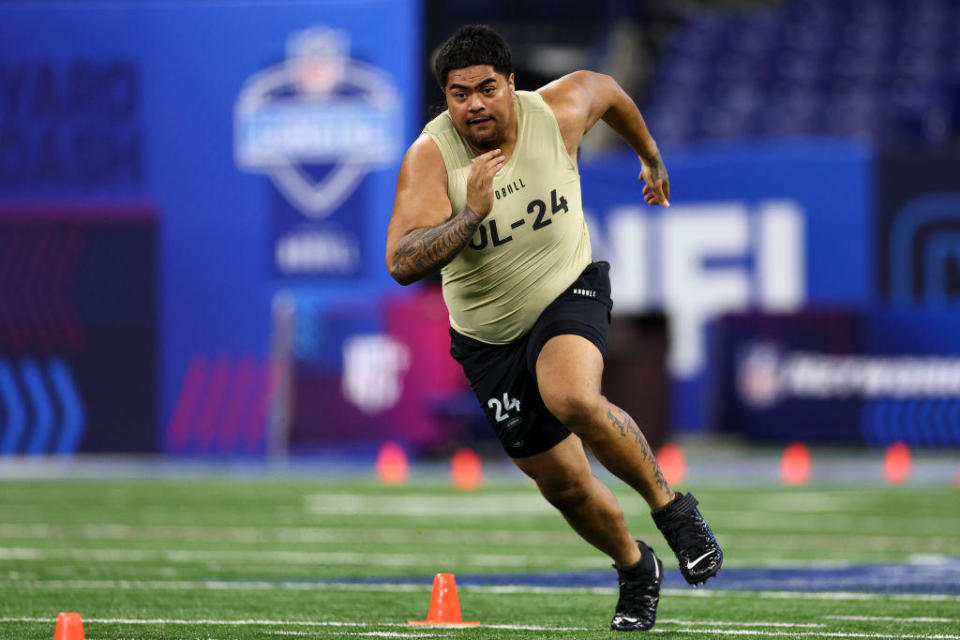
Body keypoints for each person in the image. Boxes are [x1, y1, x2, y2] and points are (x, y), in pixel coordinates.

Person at [385, 24, 722, 631]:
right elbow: (401, 262)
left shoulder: (558, 110)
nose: (475, 105)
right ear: (446, 98)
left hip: (568, 287)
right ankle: (635, 567)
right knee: (565, 487)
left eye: (487, 89)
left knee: (570, 396)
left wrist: (649, 155)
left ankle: (674, 511)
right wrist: (470, 217)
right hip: (489, 340)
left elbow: (609, 91)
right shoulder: (432, 157)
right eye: (460, 95)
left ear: (512, 84)